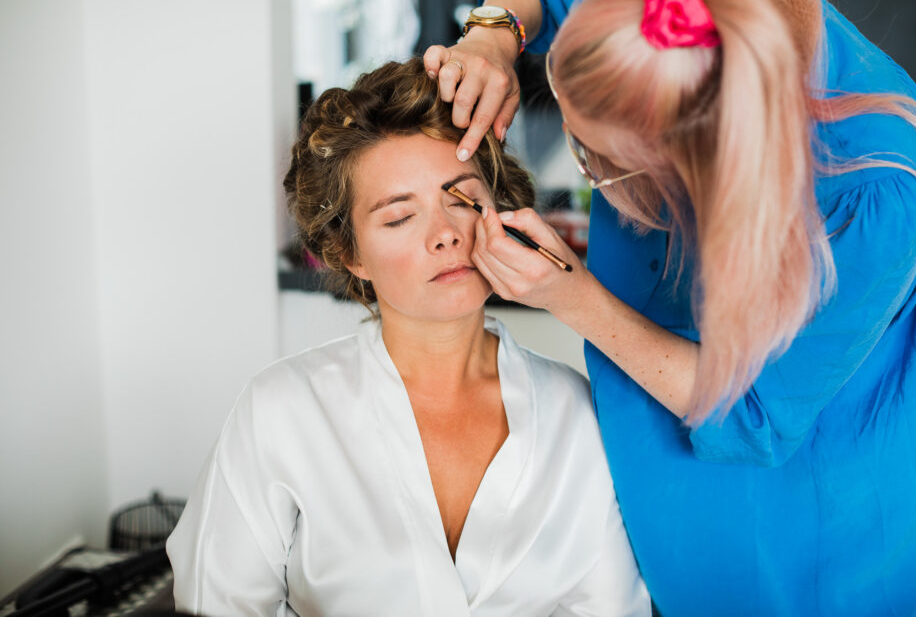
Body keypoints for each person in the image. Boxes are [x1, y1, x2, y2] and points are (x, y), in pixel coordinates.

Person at [423, 0, 916, 615]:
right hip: (664, 499)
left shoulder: (878, 195)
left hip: (810, 530)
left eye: (600, 166)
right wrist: (495, 38)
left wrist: (572, 298)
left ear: (696, 171)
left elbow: (755, 414)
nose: (587, 175)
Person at [165, 58, 650, 616]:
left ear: (499, 209)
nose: (445, 234)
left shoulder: (581, 416)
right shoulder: (279, 412)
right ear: (349, 254)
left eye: (463, 200)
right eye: (399, 218)